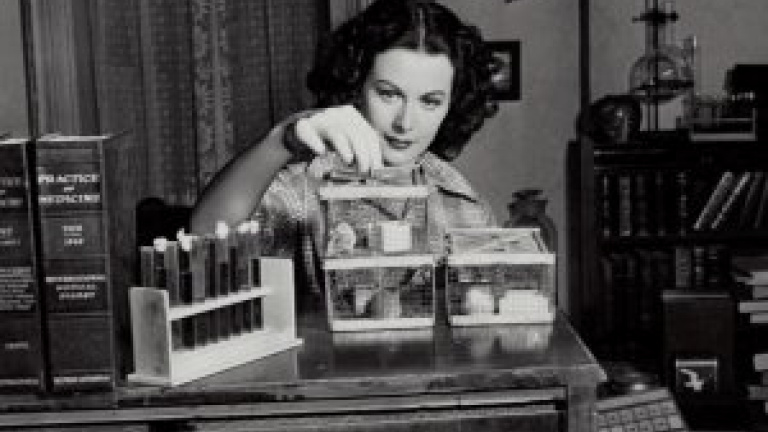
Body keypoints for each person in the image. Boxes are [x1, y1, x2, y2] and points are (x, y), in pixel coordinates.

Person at [190, 0, 501, 295]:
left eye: (430, 101)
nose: (405, 123)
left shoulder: (465, 205)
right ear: (357, 87)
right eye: (388, 94)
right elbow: (206, 236)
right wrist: (281, 140)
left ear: (452, 103)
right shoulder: (303, 190)